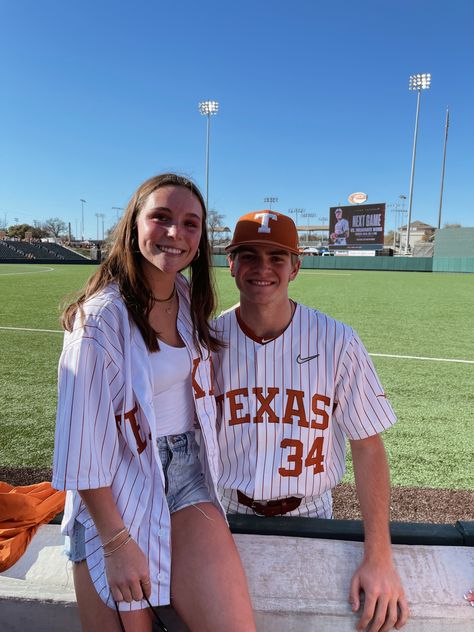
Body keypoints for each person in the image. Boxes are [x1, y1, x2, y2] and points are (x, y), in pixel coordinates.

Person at [52, 174, 255, 632]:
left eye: (190, 224)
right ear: (134, 225)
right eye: (160, 218)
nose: (175, 233)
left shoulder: (184, 295)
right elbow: (82, 449)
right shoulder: (98, 322)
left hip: (184, 472)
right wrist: (116, 541)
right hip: (113, 488)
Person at [212, 210, 409, 632]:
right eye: (248, 255)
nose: (263, 267)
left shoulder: (338, 341)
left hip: (312, 510)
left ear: (296, 267)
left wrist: (378, 555)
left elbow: (368, 446)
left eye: (277, 257)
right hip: (227, 510)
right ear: (230, 264)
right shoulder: (206, 342)